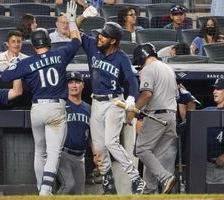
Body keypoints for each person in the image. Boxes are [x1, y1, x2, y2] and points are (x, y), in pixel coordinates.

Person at [1, 0, 82, 195]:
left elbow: (4, 77)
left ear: (34, 44)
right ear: (48, 41)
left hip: (36, 109)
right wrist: (71, 22)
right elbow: (77, 41)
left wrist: (13, 63)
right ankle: (46, 191)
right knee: (53, 153)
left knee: (40, 151)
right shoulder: (61, 53)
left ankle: (41, 189)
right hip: (55, 109)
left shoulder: (27, 62)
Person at [76, 15, 145, 194]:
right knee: (98, 147)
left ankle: (136, 178)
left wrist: (131, 98)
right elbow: (73, 31)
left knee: (111, 142)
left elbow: (132, 79)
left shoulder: (121, 57)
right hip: (96, 101)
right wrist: (83, 17)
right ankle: (108, 181)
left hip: (114, 101)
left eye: (104, 36)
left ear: (113, 40)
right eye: (100, 35)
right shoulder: (92, 45)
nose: (100, 37)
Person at [130, 43, 178, 194]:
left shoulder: (148, 68)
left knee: (141, 149)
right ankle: (149, 191)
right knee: (153, 158)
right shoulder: (168, 69)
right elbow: (176, 96)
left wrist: (133, 111)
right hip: (171, 117)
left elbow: (146, 94)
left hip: (156, 116)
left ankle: (165, 178)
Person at [56, 71, 91, 195]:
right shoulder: (61, 105)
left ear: (83, 85)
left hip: (80, 157)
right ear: (66, 86)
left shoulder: (89, 108)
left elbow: (92, 134)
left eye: (77, 82)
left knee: (79, 193)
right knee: (68, 184)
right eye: (70, 82)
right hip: (63, 154)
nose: (74, 85)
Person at [203, 78, 224, 183]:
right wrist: (187, 99)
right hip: (207, 164)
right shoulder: (207, 111)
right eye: (214, 89)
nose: (214, 91)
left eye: (218, 89)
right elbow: (189, 119)